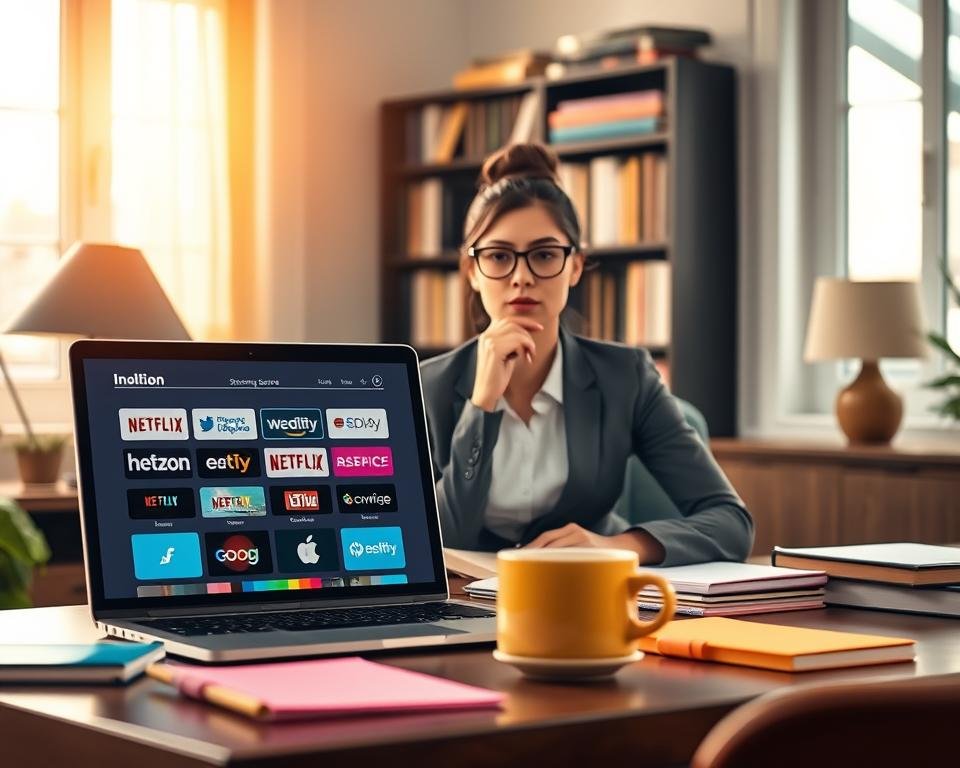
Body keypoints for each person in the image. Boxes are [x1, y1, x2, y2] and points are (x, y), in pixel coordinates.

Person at [420, 143, 753, 565]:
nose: (521, 278)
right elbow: (433, 540)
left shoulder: (626, 378)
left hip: (589, 594)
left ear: (575, 266)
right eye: (499, 256)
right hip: (468, 604)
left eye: (544, 255)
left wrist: (614, 547)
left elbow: (730, 522)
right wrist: (481, 405)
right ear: (472, 271)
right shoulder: (426, 386)